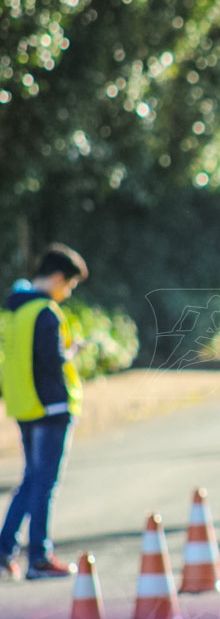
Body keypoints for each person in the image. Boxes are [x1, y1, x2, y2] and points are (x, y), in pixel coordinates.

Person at [0, 243, 89, 580]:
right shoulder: (46, 312)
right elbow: (51, 361)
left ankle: (5, 549)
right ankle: (39, 557)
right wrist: (71, 351)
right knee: (45, 483)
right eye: (69, 285)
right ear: (56, 277)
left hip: (24, 404)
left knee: (31, 480)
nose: (67, 292)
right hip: (51, 406)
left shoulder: (15, 310)